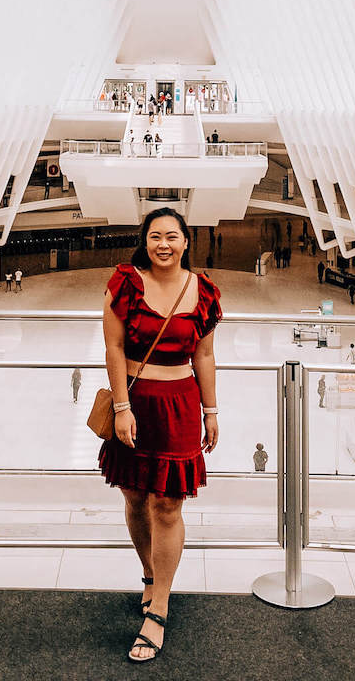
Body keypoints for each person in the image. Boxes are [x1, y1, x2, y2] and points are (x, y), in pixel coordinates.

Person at [99, 207, 222, 663]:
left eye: (172, 236)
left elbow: (204, 356)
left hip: (180, 405)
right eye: (155, 236)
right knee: (134, 495)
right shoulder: (125, 283)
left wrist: (211, 410)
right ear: (145, 241)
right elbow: (112, 346)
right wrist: (122, 407)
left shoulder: (203, 291)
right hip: (135, 403)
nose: (163, 244)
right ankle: (150, 575)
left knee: (167, 504)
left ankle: (160, 606)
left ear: (186, 241)